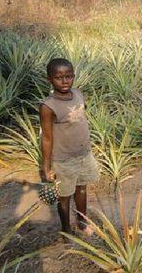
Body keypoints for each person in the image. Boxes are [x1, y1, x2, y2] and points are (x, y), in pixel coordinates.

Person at [40, 58, 99, 235]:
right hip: (63, 159)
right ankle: (66, 230)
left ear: (73, 76)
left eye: (69, 76)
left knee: (81, 188)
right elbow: (47, 138)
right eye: (59, 77)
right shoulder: (48, 106)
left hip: (83, 154)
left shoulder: (78, 93)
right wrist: (46, 166)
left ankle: (82, 222)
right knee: (64, 196)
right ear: (49, 79)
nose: (65, 81)